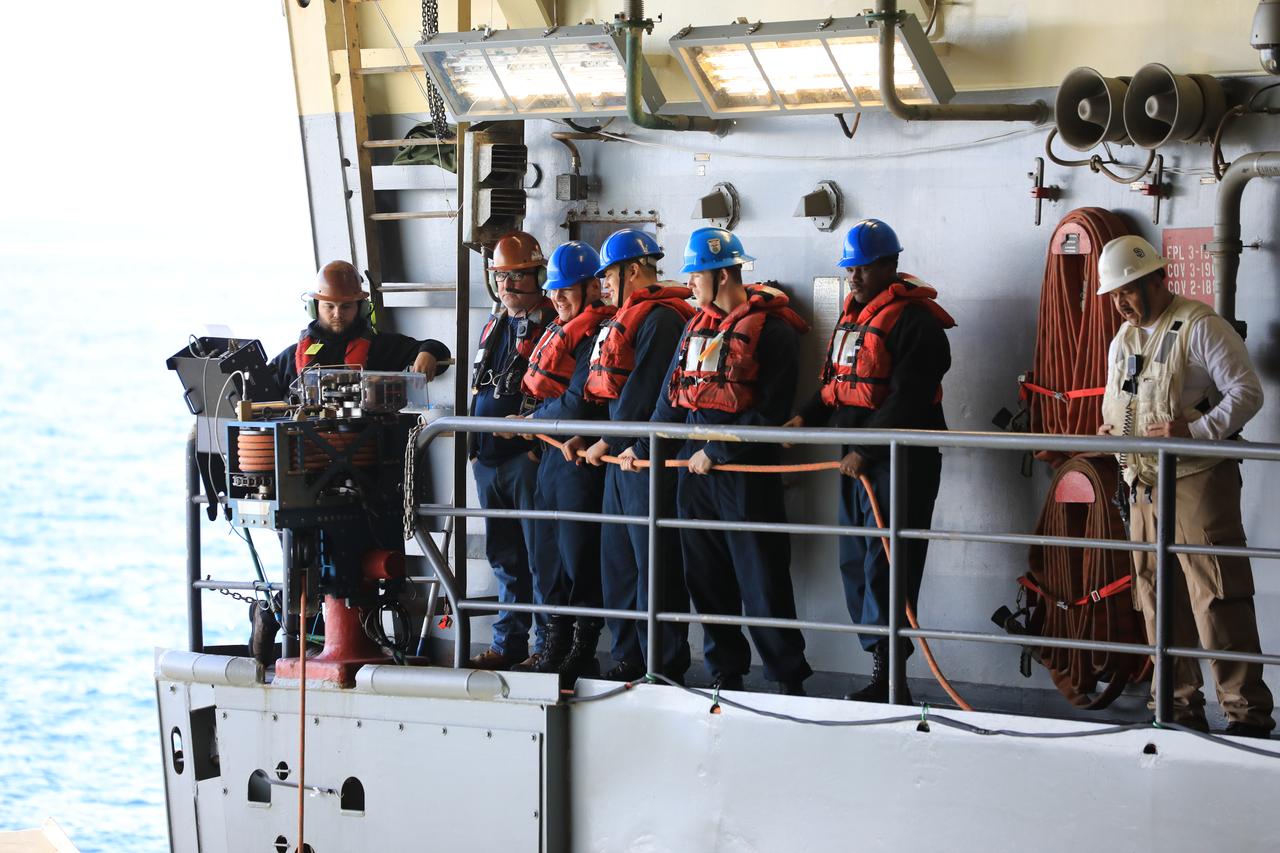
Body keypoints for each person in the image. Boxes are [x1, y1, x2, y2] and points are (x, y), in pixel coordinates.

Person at [1096, 235, 1274, 738]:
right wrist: (1113, 435)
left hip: (1197, 482)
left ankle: (1246, 718)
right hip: (1142, 488)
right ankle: (1174, 709)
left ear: (1157, 278)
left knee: (1217, 598)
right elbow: (1123, 404)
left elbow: (1247, 392)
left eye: (1128, 289)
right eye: (1114, 294)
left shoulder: (1201, 326)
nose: (1121, 302)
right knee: (1155, 600)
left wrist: (1194, 431)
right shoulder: (1123, 340)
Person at [629, 227, 812, 695]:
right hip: (695, 473)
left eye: (697, 275)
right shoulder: (696, 328)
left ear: (724, 274)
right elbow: (671, 399)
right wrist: (645, 448)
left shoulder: (775, 332)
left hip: (746, 473)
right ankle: (725, 674)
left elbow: (769, 410)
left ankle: (788, 678)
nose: (689, 283)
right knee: (706, 579)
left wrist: (719, 450)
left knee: (762, 578)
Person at [786, 219, 954, 704]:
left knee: (889, 565)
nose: (853, 277)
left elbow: (908, 398)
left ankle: (889, 675)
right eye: (849, 268)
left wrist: (866, 450)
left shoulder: (918, 324)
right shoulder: (855, 317)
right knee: (855, 562)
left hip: (900, 463)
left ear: (889, 266)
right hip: (858, 461)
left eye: (861, 268)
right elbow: (837, 384)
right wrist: (803, 418)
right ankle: (877, 662)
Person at [581, 229, 696, 682]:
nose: (605, 284)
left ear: (632, 271)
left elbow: (650, 392)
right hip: (621, 459)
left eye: (609, 275)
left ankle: (662, 665)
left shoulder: (662, 320)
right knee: (619, 564)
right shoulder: (628, 316)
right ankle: (629, 657)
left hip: (649, 460)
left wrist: (620, 443)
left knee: (655, 568)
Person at [506, 241, 615, 677]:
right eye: (554, 290)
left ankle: (583, 648)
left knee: (578, 553)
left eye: (567, 289)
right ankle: (554, 643)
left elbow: (577, 405)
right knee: (547, 554)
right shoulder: (560, 329)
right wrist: (534, 422)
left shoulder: (598, 335)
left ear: (592, 288)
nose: (557, 298)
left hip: (581, 462)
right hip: (553, 457)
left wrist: (529, 420)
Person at [466, 232, 557, 670]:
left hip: (527, 461)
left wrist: (537, 446)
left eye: (518, 277)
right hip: (488, 461)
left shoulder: (554, 324)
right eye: (502, 277)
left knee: (539, 557)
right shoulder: (495, 323)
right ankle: (508, 644)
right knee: (504, 556)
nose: (508, 286)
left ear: (538, 276)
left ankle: (544, 646)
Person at [271, 260, 451, 388]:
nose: (337, 314)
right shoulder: (290, 358)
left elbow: (439, 351)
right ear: (314, 308)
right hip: (306, 440)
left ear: (362, 308)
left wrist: (428, 352)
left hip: (369, 439)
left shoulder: (382, 347)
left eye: (346, 306)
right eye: (329, 306)